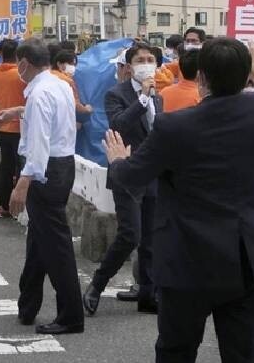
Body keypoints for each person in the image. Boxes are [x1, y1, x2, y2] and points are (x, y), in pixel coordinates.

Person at [103, 38, 254, 363]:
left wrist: (117, 161)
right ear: (245, 76)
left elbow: (132, 178)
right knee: (242, 351)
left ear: (202, 77)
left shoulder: (175, 126)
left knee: (176, 349)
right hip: (245, 259)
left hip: (186, 260)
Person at [0, 38, 84, 335]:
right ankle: (28, 304)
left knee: (56, 247)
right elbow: (52, 120)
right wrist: (16, 112)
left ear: (24, 63)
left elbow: (38, 143)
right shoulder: (57, 84)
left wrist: (23, 182)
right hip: (62, 166)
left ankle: (71, 314)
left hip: (44, 172)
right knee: (39, 240)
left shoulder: (40, 93)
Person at [83, 42, 162, 316]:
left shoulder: (158, 97)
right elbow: (119, 124)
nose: (147, 63)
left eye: (151, 59)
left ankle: (148, 294)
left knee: (151, 238)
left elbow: (158, 132)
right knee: (131, 234)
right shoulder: (116, 94)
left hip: (153, 173)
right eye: (141, 59)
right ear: (129, 67)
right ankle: (97, 283)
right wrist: (142, 99)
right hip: (126, 172)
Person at [0, 39, 26, 218]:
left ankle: (3, 205)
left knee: (6, 165)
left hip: (2, 126)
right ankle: (19, 205)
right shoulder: (22, 75)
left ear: (0, 54)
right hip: (21, 127)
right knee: (21, 167)